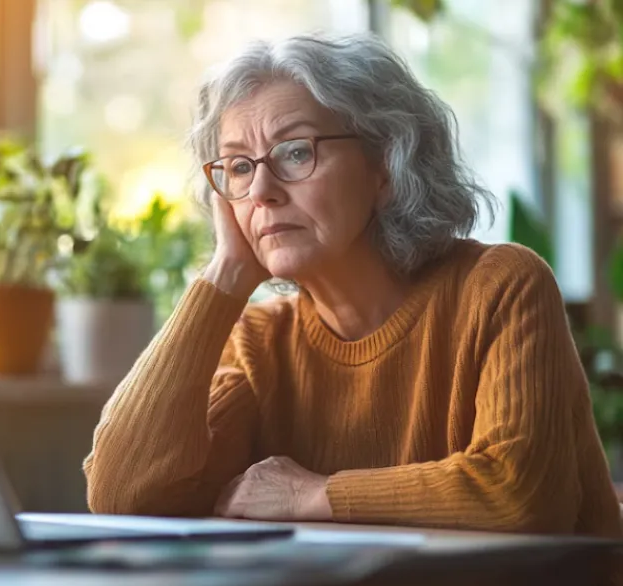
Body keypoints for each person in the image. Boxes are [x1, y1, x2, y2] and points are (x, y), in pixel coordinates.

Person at [83, 32, 622, 536]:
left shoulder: (499, 286)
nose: (262, 191)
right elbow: (121, 493)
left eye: (295, 152)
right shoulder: (259, 341)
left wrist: (315, 495)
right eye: (239, 167)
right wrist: (224, 275)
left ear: (386, 166)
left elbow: (520, 492)